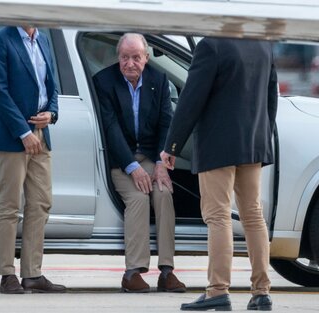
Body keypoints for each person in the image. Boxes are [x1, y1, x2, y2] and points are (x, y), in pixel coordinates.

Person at [161, 37, 278, 311]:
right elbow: (271, 97)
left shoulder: (211, 45)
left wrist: (172, 145)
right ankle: (261, 292)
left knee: (218, 216)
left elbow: (191, 99)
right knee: (253, 215)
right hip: (253, 143)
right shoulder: (262, 45)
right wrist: (263, 138)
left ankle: (217, 290)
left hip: (217, 145)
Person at [93, 33, 186, 293]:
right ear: (118, 57)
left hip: (149, 157)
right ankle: (133, 272)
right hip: (121, 161)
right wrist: (132, 168)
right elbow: (110, 129)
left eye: (136, 57)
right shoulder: (104, 81)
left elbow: (165, 123)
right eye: (125, 57)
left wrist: (160, 162)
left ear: (146, 58)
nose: (130, 63)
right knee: (138, 198)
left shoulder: (159, 79)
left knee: (164, 193)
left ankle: (167, 271)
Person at [0, 25, 64, 294]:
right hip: (13, 135)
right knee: (9, 204)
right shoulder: (0, 39)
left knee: (41, 203)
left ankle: (32, 273)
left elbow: (51, 87)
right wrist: (22, 131)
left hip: (41, 133)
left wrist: (51, 114)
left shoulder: (42, 39)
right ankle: (7, 273)